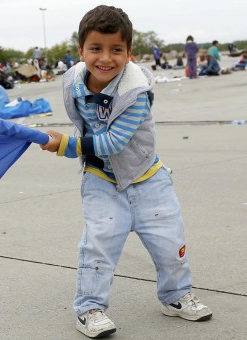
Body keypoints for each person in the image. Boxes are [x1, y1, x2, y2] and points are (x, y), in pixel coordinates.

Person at [40, 5, 212, 338]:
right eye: (96, 48)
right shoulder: (74, 80)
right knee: (97, 247)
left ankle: (176, 296)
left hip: (148, 179)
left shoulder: (136, 91)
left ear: (129, 53)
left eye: (116, 49)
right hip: (102, 181)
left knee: (170, 243)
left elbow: (115, 141)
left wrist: (65, 145)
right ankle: (90, 308)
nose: (105, 58)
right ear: (81, 51)